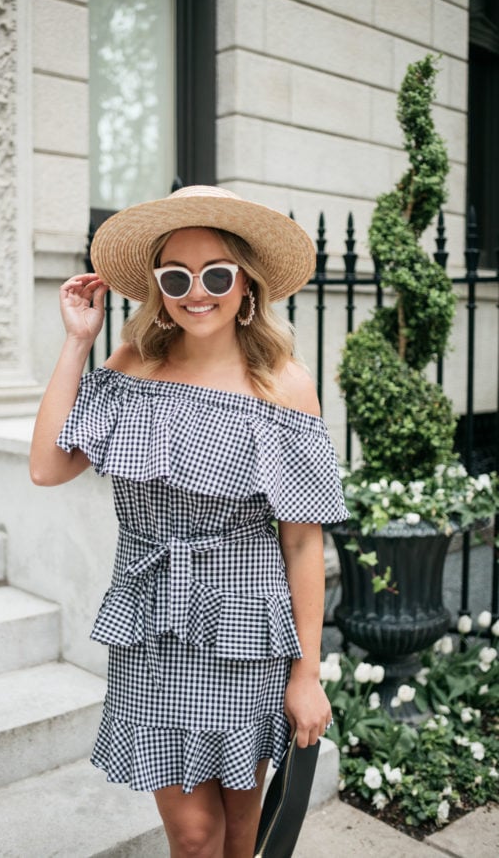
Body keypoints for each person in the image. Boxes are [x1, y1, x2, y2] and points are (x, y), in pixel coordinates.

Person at [30, 185, 348, 858]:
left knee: (239, 830)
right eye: (176, 276)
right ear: (158, 287)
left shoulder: (283, 383)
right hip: (152, 618)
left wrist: (307, 673)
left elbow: (300, 540)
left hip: (247, 620)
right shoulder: (134, 366)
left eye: (216, 274)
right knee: (196, 835)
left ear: (246, 284)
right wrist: (77, 344)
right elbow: (47, 468)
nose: (195, 291)